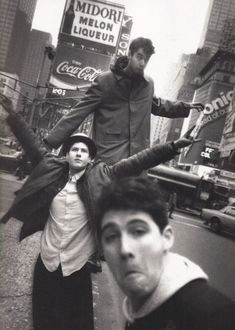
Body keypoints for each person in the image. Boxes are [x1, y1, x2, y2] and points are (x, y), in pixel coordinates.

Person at [0, 94, 200, 330]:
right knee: (44, 321)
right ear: (66, 154)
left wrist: (174, 146)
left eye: (84, 151)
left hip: (77, 267)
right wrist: (12, 115)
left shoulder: (103, 174)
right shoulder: (51, 168)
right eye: (74, 149)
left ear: (90, 158)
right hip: (47, 263)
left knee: (76, 324)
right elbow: (30, 141)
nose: (78, 153)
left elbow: (139, 161)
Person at [96, 177, 235, 330]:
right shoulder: (137, 308)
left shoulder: (214, 316)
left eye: (138, 231)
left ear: (166, 238)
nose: (124, 249)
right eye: (111, 236)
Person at [44, 37, 204, 164]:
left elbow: (159, 105)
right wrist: (50, 142)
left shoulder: (148, 84)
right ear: (129, 55)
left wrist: (186, 107)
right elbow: (77, 113)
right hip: (107, 157)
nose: (142, 63)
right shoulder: (105, 81)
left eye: (146, 59)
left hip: (137, 159)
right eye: (139, 57)